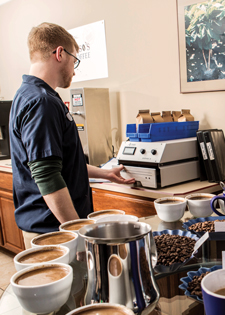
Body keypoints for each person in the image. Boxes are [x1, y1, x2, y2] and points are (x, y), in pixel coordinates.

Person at [9, 22, 135, 248]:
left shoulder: (29, 95)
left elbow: (59, 164)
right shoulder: (41, 102)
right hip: (56, 232)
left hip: (55, 228)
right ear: (59, 53)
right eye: (74, 60)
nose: (75, 69)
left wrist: (106, 174)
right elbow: (47, 176)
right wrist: (79, 232)